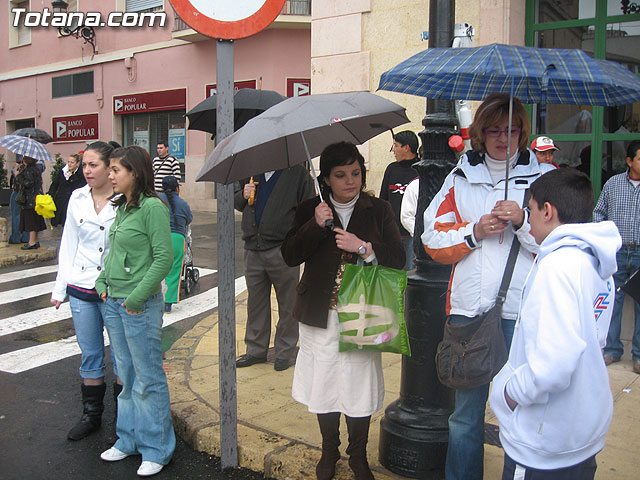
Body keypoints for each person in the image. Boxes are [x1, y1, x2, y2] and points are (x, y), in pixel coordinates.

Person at [421, 93, 554, 480]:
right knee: (465, 416)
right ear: (480, 132)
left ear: (522, 132)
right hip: (469, 310)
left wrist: (524, 221)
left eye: (511, 130)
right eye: (494, 130)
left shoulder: (544, 180)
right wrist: (475, 232)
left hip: (523, 310)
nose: (502, 138)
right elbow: (432, 239)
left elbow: (560, 241)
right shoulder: (461, 175)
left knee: (521, 411)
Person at [281, 142, 405, 480]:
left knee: (358, 383)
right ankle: (329, 449)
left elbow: (398, 257)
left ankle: (358, 454)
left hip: (364, 309)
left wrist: (363, 248)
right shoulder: (312, 208)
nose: (350, 181)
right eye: (341, 175)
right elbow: (290, 255)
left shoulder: (378, 209)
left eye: (355, 173)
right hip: (320, 311)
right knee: (325, 381)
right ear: (326, 179)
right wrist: (313, 225)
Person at [490, 167, 620, 479]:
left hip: (543, 443)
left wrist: (509, 394)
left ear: (548, 211)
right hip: (577, 434)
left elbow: (553, 365)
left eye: (530, 208)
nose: (528, 216)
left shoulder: (557, 268)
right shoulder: (594, 260)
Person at [96, 146, 174, 477]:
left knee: (147, 377)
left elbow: (163, 259)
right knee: (126, 375)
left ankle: (156, 448)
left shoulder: (152, 208)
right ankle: (127, 440)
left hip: (137, 305)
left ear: (135, 173)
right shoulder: (123, 208)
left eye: (116, 170)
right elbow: (114, 251)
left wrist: (137, 298)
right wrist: (102, 281)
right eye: (110, 169)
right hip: (113, 301)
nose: (109, 175)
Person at [50, 142, 121, 441]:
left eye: (94, 165)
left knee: (121, 357)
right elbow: (69, 244)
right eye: (85, 165)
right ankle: (91, 416)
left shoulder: (125, 200)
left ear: (109, 167)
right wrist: (60, 287)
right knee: (90, 355)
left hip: (116, 290)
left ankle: (124, 420)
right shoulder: (77, 197)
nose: (87, 171)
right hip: (81, 287)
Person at [234, 165, 314, 371]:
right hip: (253, 247)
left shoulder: (297, 173)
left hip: (283, 248)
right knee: (255, 303)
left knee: (288, 303)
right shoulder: (251, 171)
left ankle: (285, 351)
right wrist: (243, 195)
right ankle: (256, 349)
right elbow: (236, 202)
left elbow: (308, 209)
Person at [593, 140, 640, 373]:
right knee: (614, 301)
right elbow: (598, 213)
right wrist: (605, 241)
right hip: (618, 251)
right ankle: (612, 350)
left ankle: (638, 356)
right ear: (629, 161)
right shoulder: (613, 184)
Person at [379, 130, 419, 270]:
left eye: (395, 145)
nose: (393, 150)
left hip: (412, 235)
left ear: (406, 148)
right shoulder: (391, 169)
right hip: (391, 236)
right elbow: (383, 200)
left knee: (410, 277)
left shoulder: (420, 170)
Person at [157, 175, 193, 313]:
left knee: (156, 269)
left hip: (159, 237)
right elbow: (189, 219)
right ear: (177, 188)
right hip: (177, 239)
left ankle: (154, 299)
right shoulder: (183, 204)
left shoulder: (156, 200)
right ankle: (168, 304)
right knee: (174, 271)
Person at [15, 155, 46, 250]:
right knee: (35, 220)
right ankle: (35, 241)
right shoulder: (36, 169)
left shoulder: (29, 170)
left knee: (30, 221)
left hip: (30, 200)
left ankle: (31, 242)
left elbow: (28, 183)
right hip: (36, 198)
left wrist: (19, 176)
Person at [48, 153, 87, 227]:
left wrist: (72, 178)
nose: (69, 164)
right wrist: (51, 194)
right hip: (62, 199)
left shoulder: (81, 173)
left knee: (72, 222)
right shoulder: (63, 171)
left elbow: (81, 186)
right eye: (68, 162)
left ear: (77, 163)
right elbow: (55, 183)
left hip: (74, 201)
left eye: (72, 162)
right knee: (62, 222)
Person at [9, 155, 29, 244]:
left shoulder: (23, 167)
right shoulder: (35, 167)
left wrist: (14, 170)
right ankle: (26, 237)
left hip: (19, 192)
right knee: (26, 215)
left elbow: (18, 178)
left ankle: (15, 237)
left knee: (16, 215)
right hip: (28, 194)